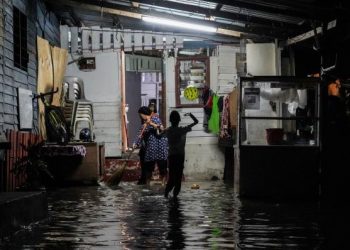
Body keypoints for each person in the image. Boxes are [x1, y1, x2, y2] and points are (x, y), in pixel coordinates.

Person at [164, 111, 198, 199]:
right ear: (179, 120)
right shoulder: (182, 130)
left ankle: (166, 195)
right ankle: (175, 197)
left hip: (171, 157)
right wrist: (190, 114)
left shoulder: (168, 131)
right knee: (178, 178)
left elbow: (158, 136)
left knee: (171, 178)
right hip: (179, 157)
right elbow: (196, 122)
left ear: (170, 120)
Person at [133, 106, 168, 186]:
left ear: (143, 114)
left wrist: (151, 123)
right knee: (148, 168)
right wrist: (135, 143)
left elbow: (161, 128)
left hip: (160, 147)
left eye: (140, 114)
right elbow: (140, 135)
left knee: (162, 167)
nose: (140, 116)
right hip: (150, 148)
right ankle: (147, 184)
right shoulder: (144, 124)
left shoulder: (155, 119)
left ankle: (163, 184)